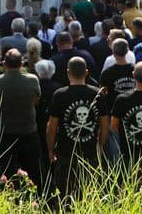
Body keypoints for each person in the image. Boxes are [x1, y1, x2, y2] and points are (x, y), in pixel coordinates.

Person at [47, 57, 108, 203]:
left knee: (64, 193)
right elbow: (105, 125)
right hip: (90, 152)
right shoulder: (97, 94)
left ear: (68, 72)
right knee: (89, 193)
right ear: (86, 72)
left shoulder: (60, 95)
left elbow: (52, 126)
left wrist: (50, 149)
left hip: (65, 151)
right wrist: (100, 146)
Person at [0, 48, 42, 186]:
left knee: (6, 170)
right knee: (31, 169)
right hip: (28, 130)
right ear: (21, 64)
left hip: (5, 131)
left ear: (4, 64)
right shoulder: (32, 80)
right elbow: (36, 101)